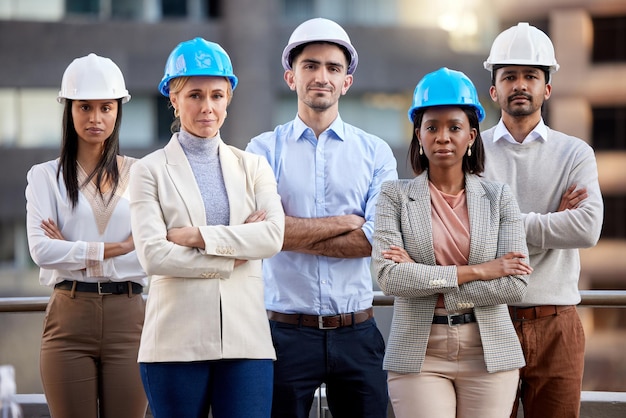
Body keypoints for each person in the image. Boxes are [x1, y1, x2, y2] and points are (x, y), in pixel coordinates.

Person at [245, 17, 397, 418]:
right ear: (290, 76)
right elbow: (262, 234)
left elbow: (374, 240)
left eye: (333, 67)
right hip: (283, 334)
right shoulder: (260, 150)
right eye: (310, 65)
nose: (322, 76)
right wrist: (347, 220)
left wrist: (289, 230)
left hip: (358, 333)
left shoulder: (376, 152)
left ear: (346, 81)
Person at [128, 37, 284, 418]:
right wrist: (233, 257)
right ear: (174, 99)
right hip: (174, 344)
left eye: (217, 95)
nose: (207, 106)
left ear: (228, 98)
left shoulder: (253, 167)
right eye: (195, 95)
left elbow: (272, 236)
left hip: (247, 343)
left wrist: (198, 237)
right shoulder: (147, 171)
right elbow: (153, 254)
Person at [372, 67, 533, 418]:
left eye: (454, 127)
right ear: (418, 135)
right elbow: (389, 277)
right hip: (418, 351)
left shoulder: (498, 197)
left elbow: (515, 285)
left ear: (472, 135)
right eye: (432, 127)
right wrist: (480, 270)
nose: (443, 136)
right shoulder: (394, 196)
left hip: (488, 350)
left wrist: (425, 277)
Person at [481, 22, 604, 418]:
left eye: (531, 76)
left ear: (546, 88)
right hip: (489, 319)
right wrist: (554, 222)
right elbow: (470, 238)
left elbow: (586, 229)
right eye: (510, 77)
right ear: (494, 90)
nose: (520, 84)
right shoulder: (471, 151)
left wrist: (506, 224)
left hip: (558, 325)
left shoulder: (575, 153)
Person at [25, 53, 148, 418]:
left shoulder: (142, 174)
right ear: (69, 109)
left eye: (106, 107)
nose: (95, 118)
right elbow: (41, 251)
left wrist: (71, 248)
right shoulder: (45, 177)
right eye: (85, 107)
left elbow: (150, 250)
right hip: (69, 317)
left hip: (129, 316)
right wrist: (121, 245)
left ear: (117, 111)